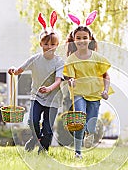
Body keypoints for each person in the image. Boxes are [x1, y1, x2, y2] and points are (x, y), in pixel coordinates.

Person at [8, 11, 64, 154]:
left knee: (47, 127)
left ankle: (43, 151)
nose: (49, 47)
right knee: (32, 122)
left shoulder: (59, 62)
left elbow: (58, 80)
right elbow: (20, 69)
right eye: (46, 44)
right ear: (41, 44)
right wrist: (14, 70)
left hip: (53, 99)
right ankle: (35, 139)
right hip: (37, 96)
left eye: (52, 44)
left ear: (57, 45)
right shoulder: (35, 59)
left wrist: (49, 89)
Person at [64, 11, 113, 159]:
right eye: (78, 38)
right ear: (73, 39)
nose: (81, 41)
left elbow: (106, 76)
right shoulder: (71, 59)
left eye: (84, 38)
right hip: (79, 93)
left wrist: (105, 90)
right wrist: (70, 80)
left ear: (90, 39)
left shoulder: (98, 58)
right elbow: (70, 76)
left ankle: (89, 133)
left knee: (90, 123)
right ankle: (77, 152)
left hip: (95, 94)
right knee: (79, 121)